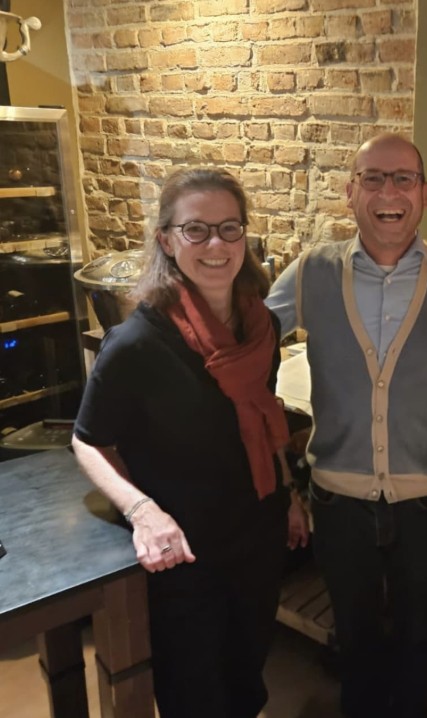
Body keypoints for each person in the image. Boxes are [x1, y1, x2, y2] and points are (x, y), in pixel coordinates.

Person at [265, 132, 427, 718]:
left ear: (424, 193)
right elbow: (248, 349)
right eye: (373, 178)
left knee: (418, 639)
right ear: (350, 192)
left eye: (403, 178)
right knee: (354, 640)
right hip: (336, 499)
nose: (389, 192)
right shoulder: (310, 274)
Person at [72, 167, 309, 718]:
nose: (215, 245)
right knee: (195, 693)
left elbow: (265, 416)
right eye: (195, 230)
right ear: (166, 240)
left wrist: (289, 494)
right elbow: (88, 441)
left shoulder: (262, 327)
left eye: (229, 228)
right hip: (185, 550)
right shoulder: (136, 343)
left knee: (247, 675)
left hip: (257, 530)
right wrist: (142, 511)